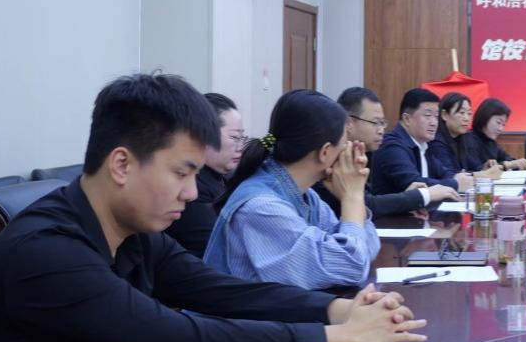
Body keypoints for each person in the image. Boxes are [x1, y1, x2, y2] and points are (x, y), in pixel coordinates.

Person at [0, 74, 425, 342]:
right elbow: (184, 340)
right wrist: (341, 337)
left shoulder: (134, 234)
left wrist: (336, 311)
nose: (190, 193)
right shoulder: (48, 254)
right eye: (182, 173)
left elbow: (219, 289)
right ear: (121, 164)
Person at [203, 89, 382, 289]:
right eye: (344, 146)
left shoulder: (306, 195)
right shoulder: (261, 207)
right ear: (324, 152)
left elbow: (367, 249)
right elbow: (351, 266)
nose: (347, 155)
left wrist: (353, 200)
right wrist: (353, 197)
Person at [314, 87, 460, 217]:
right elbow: (366, 206)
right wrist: (421, 196)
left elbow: (371, 201)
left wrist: (409, 200)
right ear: (349, 123)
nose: (381, 130)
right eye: (375, 122)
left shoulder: (364, 154)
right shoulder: (331, 158)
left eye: (382, 123)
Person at [163, 92, 244, 258]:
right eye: (235, 137)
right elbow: (216, 249)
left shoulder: (227, 178)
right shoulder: (193, 189)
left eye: (243, 138)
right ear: (204, 134)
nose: (241, 146)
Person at [371, 88, 474, 195]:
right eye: (428, 115)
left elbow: (443, 172)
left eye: (436, 116)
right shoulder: (391, 146)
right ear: (407, 119)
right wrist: (456, 183)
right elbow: (415, 183)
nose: (434, 123)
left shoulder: (423, 145)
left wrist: (458, 177)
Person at [431, 92, 504, 178]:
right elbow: (450, 176)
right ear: (444, 115)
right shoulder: (436, 142)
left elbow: (473, 166)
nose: (466, 118)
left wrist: (485, 167)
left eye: (469, 113)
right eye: (461, 112)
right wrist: (482, 174)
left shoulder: (460, 139)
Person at [463, 98, 526, 172]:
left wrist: (518, 164)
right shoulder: (468, 140)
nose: (501, 129)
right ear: (485, 118)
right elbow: (478, 171)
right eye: (498, 122)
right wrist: (506, 165)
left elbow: (508, 160)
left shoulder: (491, 142)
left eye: (503, 124)